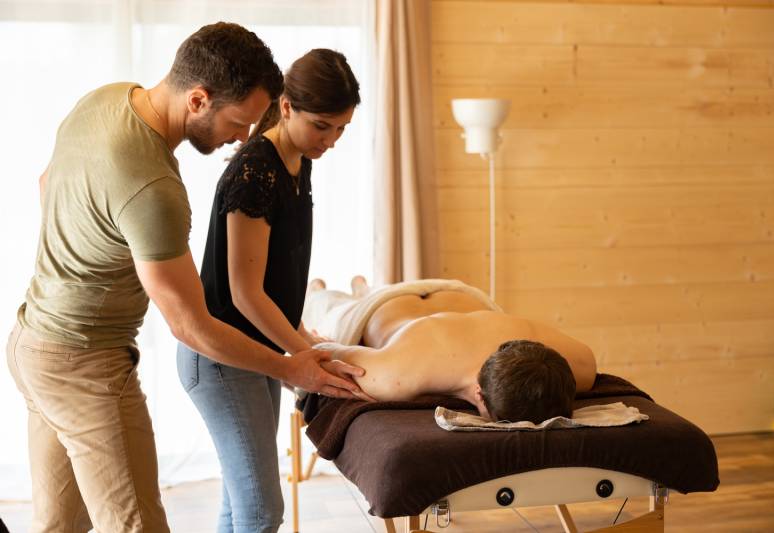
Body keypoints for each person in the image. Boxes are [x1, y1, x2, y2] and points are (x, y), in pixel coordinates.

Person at [6, 24, 364, 533]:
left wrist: (90, 258)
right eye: (238, 122)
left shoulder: (106, 100)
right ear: (198, 99)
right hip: (85, 363)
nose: (242, 138)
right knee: (140, 526)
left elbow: (48, 184)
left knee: (59, 527)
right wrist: (291, 367)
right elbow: (190, 325)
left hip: (33, 344)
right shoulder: (155, 188)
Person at [176, 49, 363, 533]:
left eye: (341, 129)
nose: (331, 140)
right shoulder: (255, 171)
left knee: (240, 507)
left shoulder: (300, 161)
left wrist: (302, 337)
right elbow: (244, 293)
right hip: (220, 355)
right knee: (261, 511)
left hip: (254, 349)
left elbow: (275, 277)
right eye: (321, 126)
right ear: (285, 107)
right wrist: (304, 354)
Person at [303, 276, 599, 423]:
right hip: (381, 307)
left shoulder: (580, 366)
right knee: (328, 312)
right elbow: (326, 351)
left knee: (360, 296)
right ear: (479, 394)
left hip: (459, 292)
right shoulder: (394, 376)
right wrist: (313, 341)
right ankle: (327, 291)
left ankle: (362, 286)